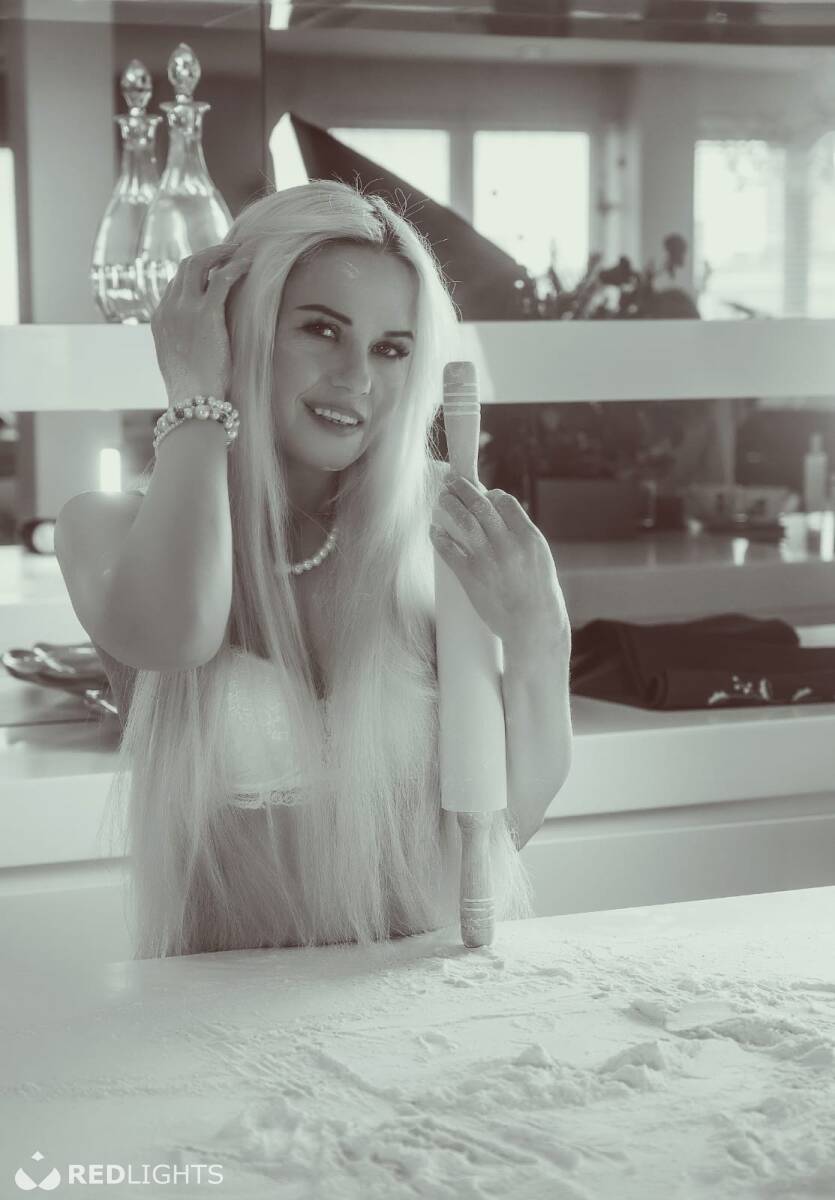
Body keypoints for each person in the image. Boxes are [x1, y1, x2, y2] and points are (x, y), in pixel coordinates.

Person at [56, 180, 571, 959]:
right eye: (321, 330)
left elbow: (500, 831)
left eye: (391, 349)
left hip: (419, 996)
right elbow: (176, 636)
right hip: (217, 1016)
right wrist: (194, 395)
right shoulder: (106, 529)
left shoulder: (435, 528)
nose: (356, 378)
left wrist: (540, 635)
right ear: (240, 326)